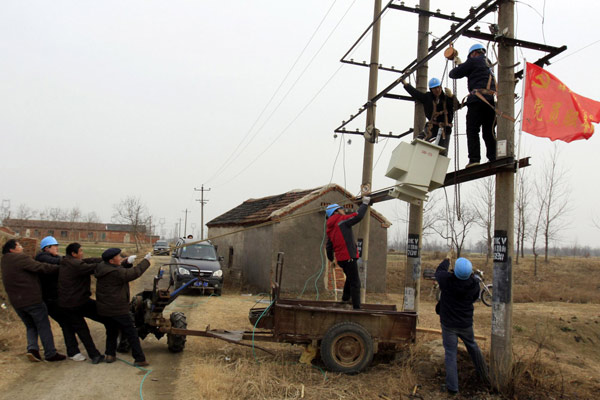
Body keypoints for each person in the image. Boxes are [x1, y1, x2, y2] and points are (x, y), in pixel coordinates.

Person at [1, 239, 66, 362]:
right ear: (12, 249)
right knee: (43, 326)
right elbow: (41, 267)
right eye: (18, 245)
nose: (21, 247)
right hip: (32, 299)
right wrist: (60, 268)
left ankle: (33, 350)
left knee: (31, 326)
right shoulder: (20, 259)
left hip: (16, 302)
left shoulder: (4, 261)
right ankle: (50, 353)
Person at [435, 256, 489, 395]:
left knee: (450, 354)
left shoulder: (446, 280)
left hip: (448, 324)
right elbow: (473, 298)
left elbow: (439, 271)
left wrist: (446, 260)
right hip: (465, 324)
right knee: (473, 346)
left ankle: (453, 388)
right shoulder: (474, 285)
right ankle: (485, 377)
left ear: (456, 271)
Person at [95, 248, 152, 366]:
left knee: (111, 330)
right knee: (131, 332)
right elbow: (134, 273)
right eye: (118, 256)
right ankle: (139, 358)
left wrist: (127, 263)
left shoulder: (102, 267)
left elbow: (120, 268)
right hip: (117, 308)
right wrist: (146, 261)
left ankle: (110, 354)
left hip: (105, 308)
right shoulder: (115, 273)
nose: (120, 258)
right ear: (111, 261)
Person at [59, 242, 111, 364]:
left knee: (84, 328)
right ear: (74, 253)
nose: (83, 253)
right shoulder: (76, 264)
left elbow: (89, 260)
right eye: (81, 251)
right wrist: (110, 263)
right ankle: (95, 355)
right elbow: (93, 267)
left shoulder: (67, 261)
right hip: (76, 303)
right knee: (85, 328)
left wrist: (105, 258)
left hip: (70, 302)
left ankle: (97, 354)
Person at [35, 236, 85, 361]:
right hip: (51, 299)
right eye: (54, 246)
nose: (57, 248)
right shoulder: (42, 258)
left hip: (56, 298)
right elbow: (62, 261)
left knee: (67, 323)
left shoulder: (52, 258)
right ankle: (73, 352)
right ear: (47, 248)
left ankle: (73, 351)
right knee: (67, 324)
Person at [449, 43, 497, 168]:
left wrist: (460, 64)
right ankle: (493, 156)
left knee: (472, 130)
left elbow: (454, 74)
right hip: (491, 101)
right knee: (489, 131)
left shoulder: (473, 61)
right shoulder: (488, 64)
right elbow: (474, 72)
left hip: (477, 100)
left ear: (473, 53)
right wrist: (461, 64)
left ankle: (474, 159)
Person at [325, 196, 370, 310]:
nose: (343, 210)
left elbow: (329, 246)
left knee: (350, 278)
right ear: (336, 211)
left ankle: (345, 298)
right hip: (349, 257)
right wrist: (365, 204)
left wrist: (331, 259)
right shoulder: (341, 220)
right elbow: (358, 216)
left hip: (341, 259)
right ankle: (356, 307)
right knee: (355, 282)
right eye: (340, 209)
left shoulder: (331, 227)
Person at [402, 77, 458, 155]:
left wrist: (452, 96)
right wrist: (405, 84)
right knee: (419, 140)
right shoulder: (427, 97)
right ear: (431, 89)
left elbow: (457, 106)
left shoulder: (447, 98)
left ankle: (438, 166)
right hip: (433, 126)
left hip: (445, 128)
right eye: (434, 88)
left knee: (442, 153)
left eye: (438, 87)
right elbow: (416, 93)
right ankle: (416, 157)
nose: (437, 90)